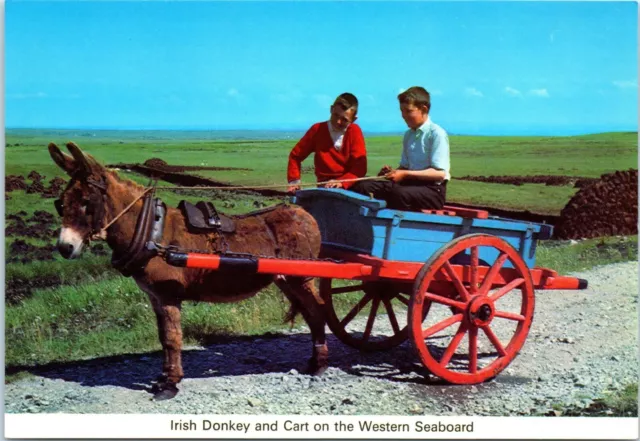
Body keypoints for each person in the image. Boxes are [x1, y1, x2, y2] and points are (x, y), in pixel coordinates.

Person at [351, 86, 450, 211]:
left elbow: (440, 174)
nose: (403, 115)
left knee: (398, 194)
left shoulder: (436, 134)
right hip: (409, 185)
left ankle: (395, 226)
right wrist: (392, 173)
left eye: (408, 111)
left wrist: (404, 174)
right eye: (401, 111)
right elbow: (405, 167)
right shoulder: (409, 135)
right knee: (363, 186)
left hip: (432, 191)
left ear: (423, 109)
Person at [286, 93, 367, 192]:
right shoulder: (317, 130)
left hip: (351, 186)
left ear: (353, 119)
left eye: (344, 120)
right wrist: (294, 181)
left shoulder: (355, 131)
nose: (338, 121)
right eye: (336, 115)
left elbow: (360, 167)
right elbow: (295, 156)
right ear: (331, 109)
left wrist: (342, 182)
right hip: (325, 187)